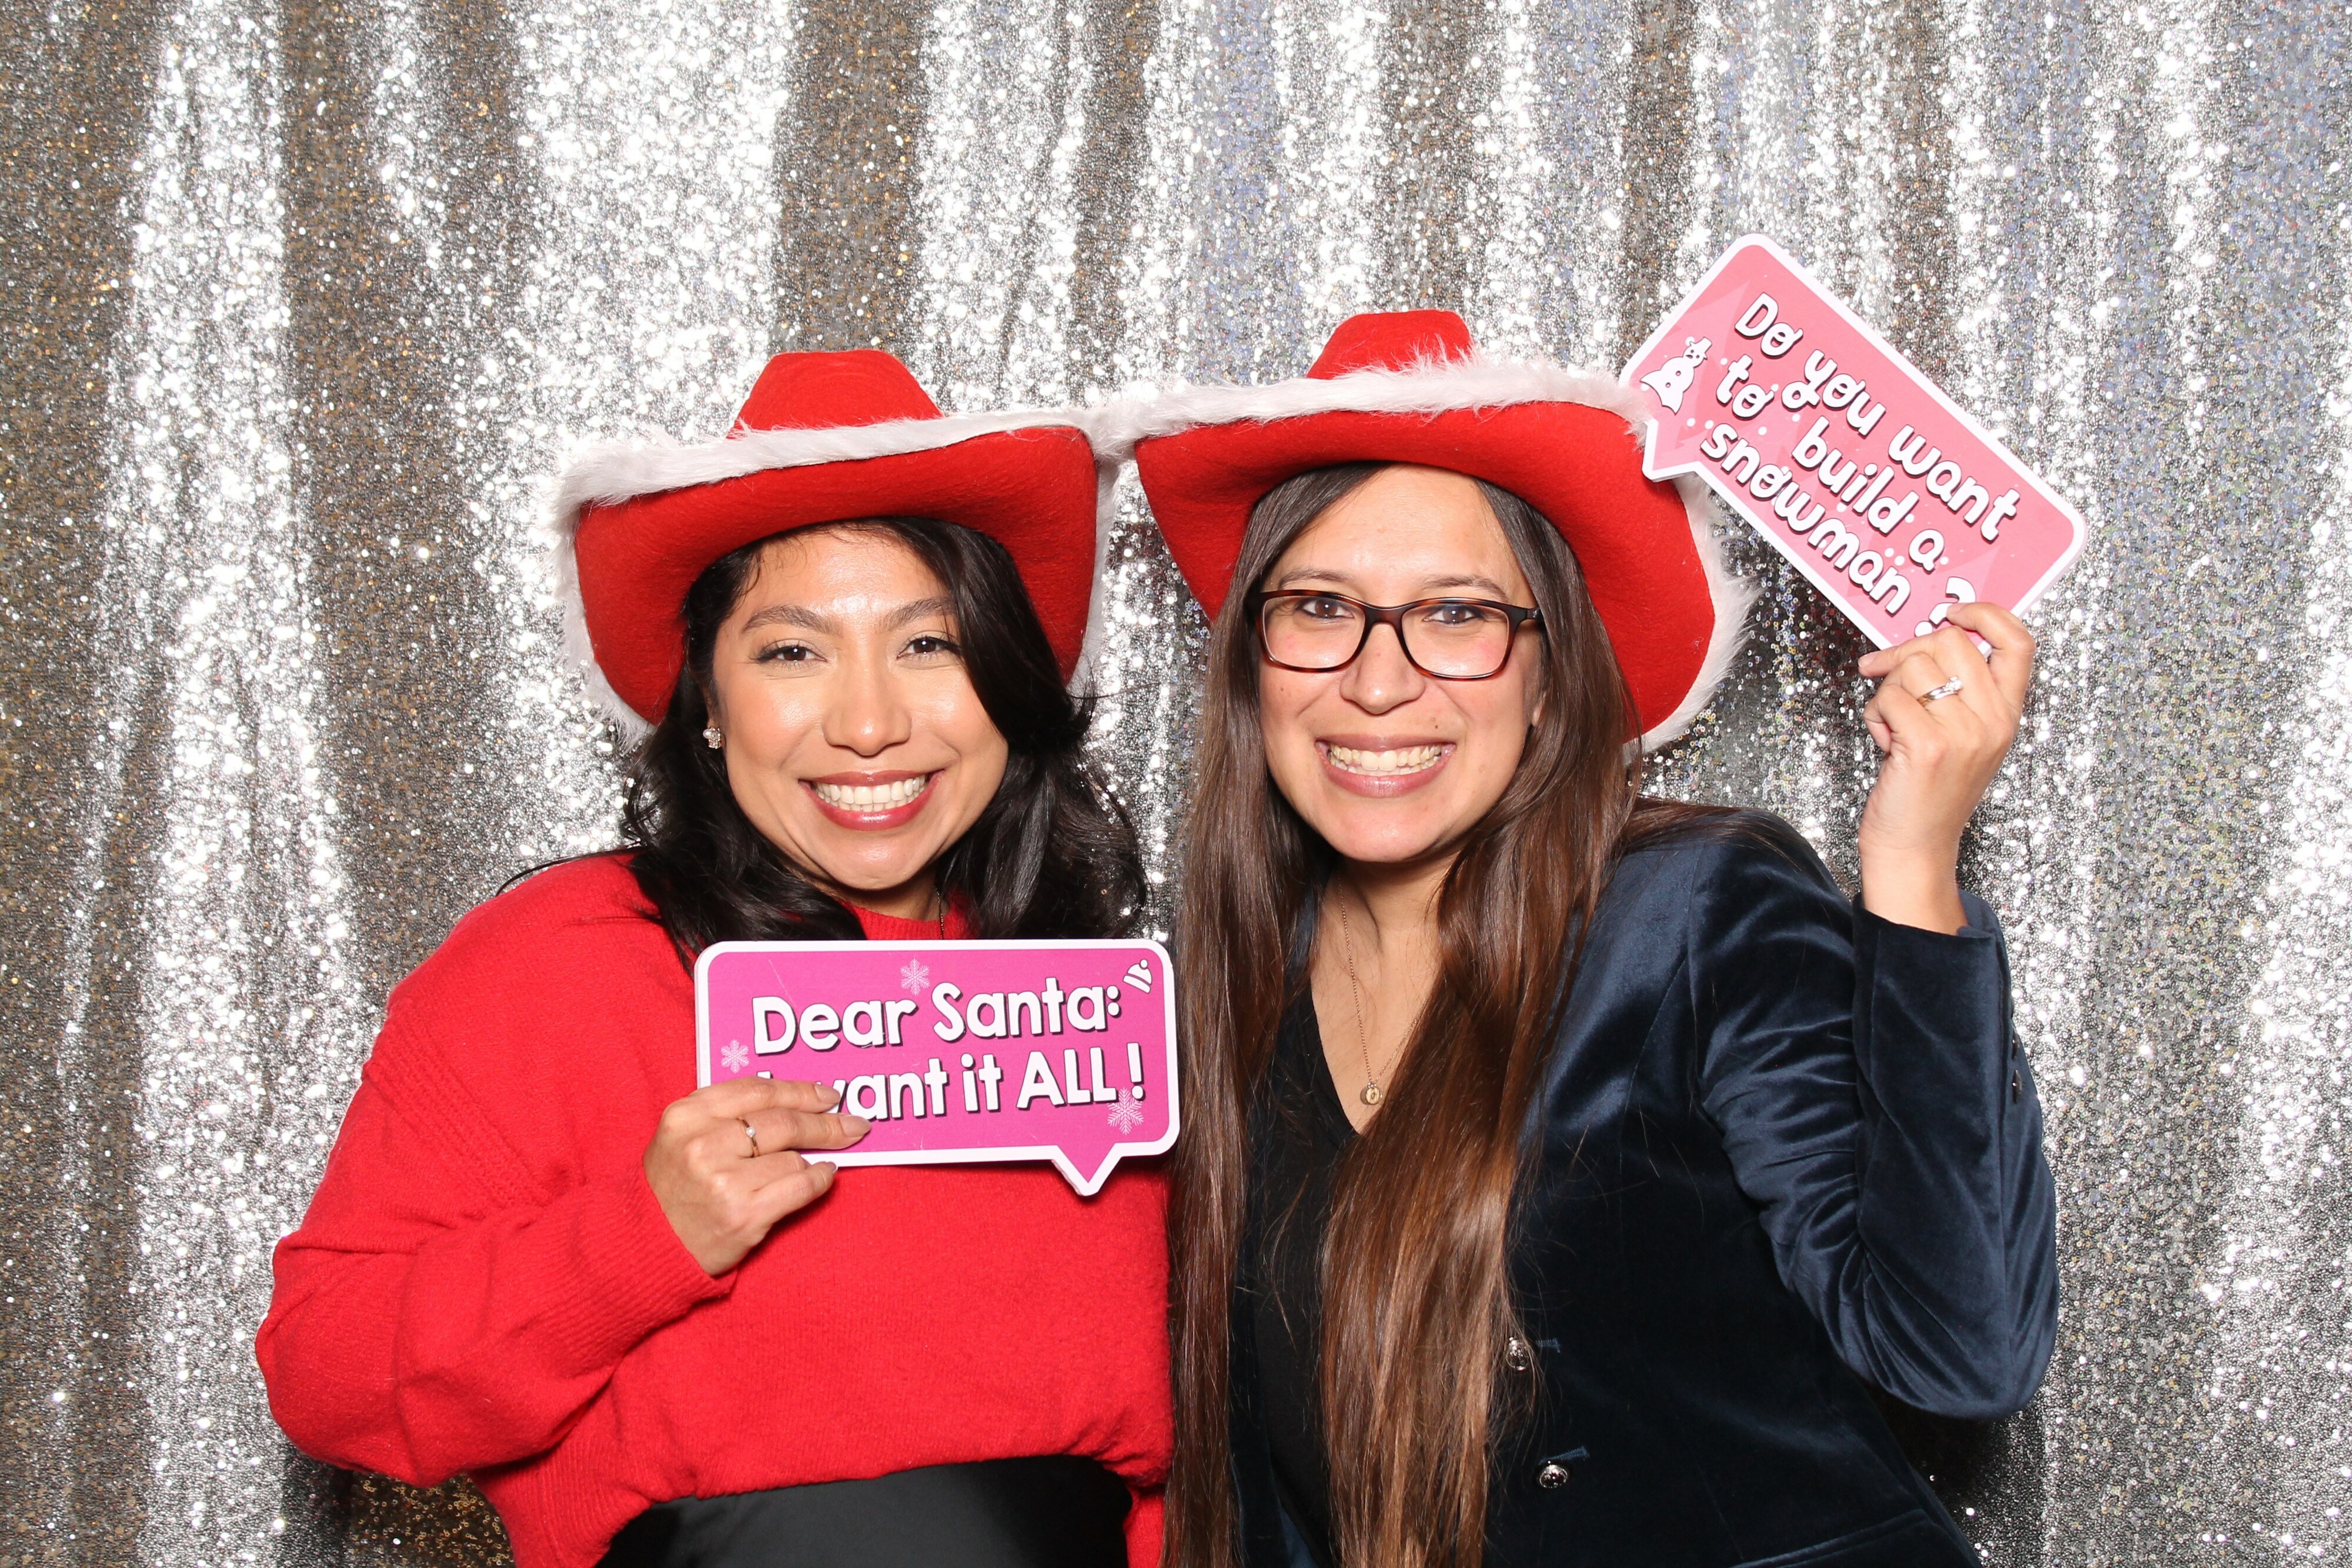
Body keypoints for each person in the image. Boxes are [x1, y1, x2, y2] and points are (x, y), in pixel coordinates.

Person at [1110, 311, 2057, 1568]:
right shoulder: (1223, 979)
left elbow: (1958, 1349)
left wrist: (1914, 867)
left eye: (1456, 614)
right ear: (1253, 662)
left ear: (1551, 673)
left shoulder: (1692, 909)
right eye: (1320, 607)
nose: (1377, 682)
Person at [258, 350, 1171, 1568]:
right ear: (705, 697)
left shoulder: (1091, 1013)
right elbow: (326, 1372)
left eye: (929, 645)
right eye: (792, 652)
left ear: (1007, 684)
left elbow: (1183, 1463)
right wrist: (644, 1236)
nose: (868, 722)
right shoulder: (558, 964)